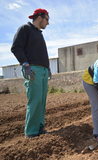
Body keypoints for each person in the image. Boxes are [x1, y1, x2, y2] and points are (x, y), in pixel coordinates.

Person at [11, 8, 50, 138]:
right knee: (35, 100)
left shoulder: (39, 33)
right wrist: (25, 64)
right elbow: (16, 47)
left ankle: (39, 127)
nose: (48, 23)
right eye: (47, 19)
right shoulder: (25, 29)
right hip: (33, 69)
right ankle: (31, 132)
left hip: (43, 70)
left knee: (42, 101)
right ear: (40, 17)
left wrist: (47, 68)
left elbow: (41, 53)